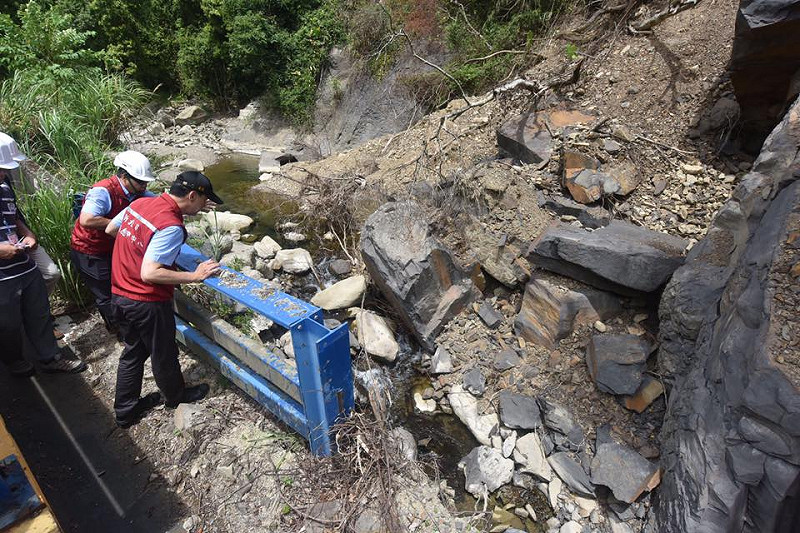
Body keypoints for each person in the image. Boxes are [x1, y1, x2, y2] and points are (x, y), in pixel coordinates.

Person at [106, 171, 222, 428]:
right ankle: (176, 397)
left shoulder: (141, 203)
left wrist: (138, 250)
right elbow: (150, 272)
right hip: (145, 301)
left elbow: (111, 228)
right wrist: (195, 275)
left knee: (133, 352)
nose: (205, 206)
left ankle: (125, 411)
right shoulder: (171, 226)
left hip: (119, 293)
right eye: (204, 201)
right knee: (163, 352)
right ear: (192, 195)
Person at [0, 132, 86, 376]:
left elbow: (14, 216)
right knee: (7, 324)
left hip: (22, 262)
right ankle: (14, 360)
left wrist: (28, 234)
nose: (4, 174)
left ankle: (50, 358)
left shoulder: (4, 187)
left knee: (38, 311)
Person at [70, 151, 155, 332]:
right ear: (124, 177)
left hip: (111, 247)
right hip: (89, 250)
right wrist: (124, 226)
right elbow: (87, 219)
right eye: (140, 182)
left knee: (119, 288)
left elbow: (159, 202)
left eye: (145, 182)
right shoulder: (103, 192)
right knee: (105, 294)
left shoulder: (137, 191)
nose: (144, 186)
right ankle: (120, 331)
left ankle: (127, 325)